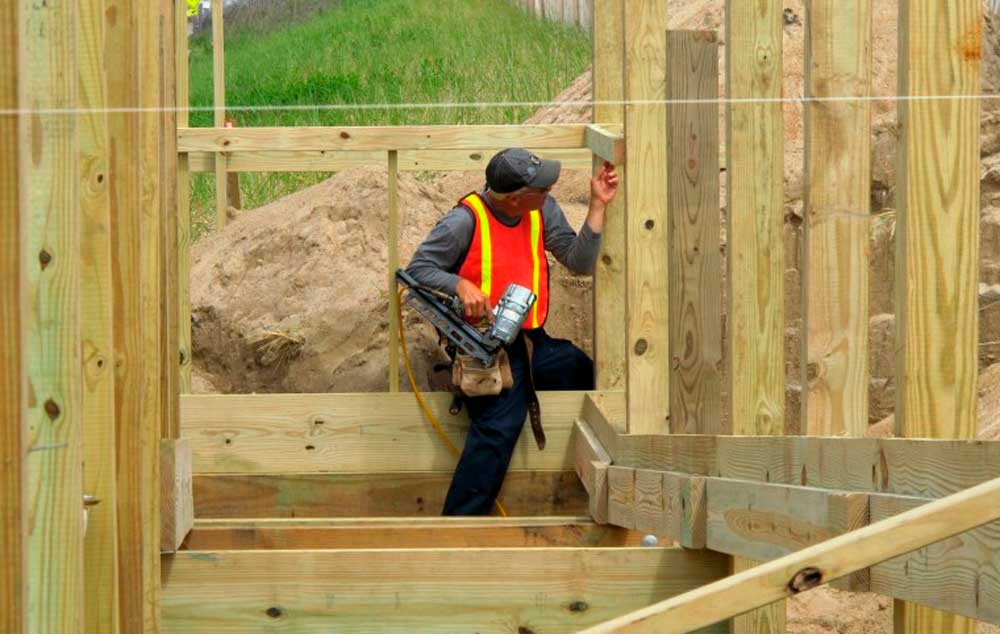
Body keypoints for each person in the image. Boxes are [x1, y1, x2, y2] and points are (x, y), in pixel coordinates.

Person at [405, 147, 620, 515]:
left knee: (583, 372)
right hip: (482, 348)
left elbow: (578, 260)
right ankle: (458, 527)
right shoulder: (463, 221)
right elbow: (417, 270)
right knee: (499, 428)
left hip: (533, 340)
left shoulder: (541, 210)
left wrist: (598, 205)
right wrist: (458, 284)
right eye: (543, 189)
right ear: (516, 199)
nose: (549, 193)